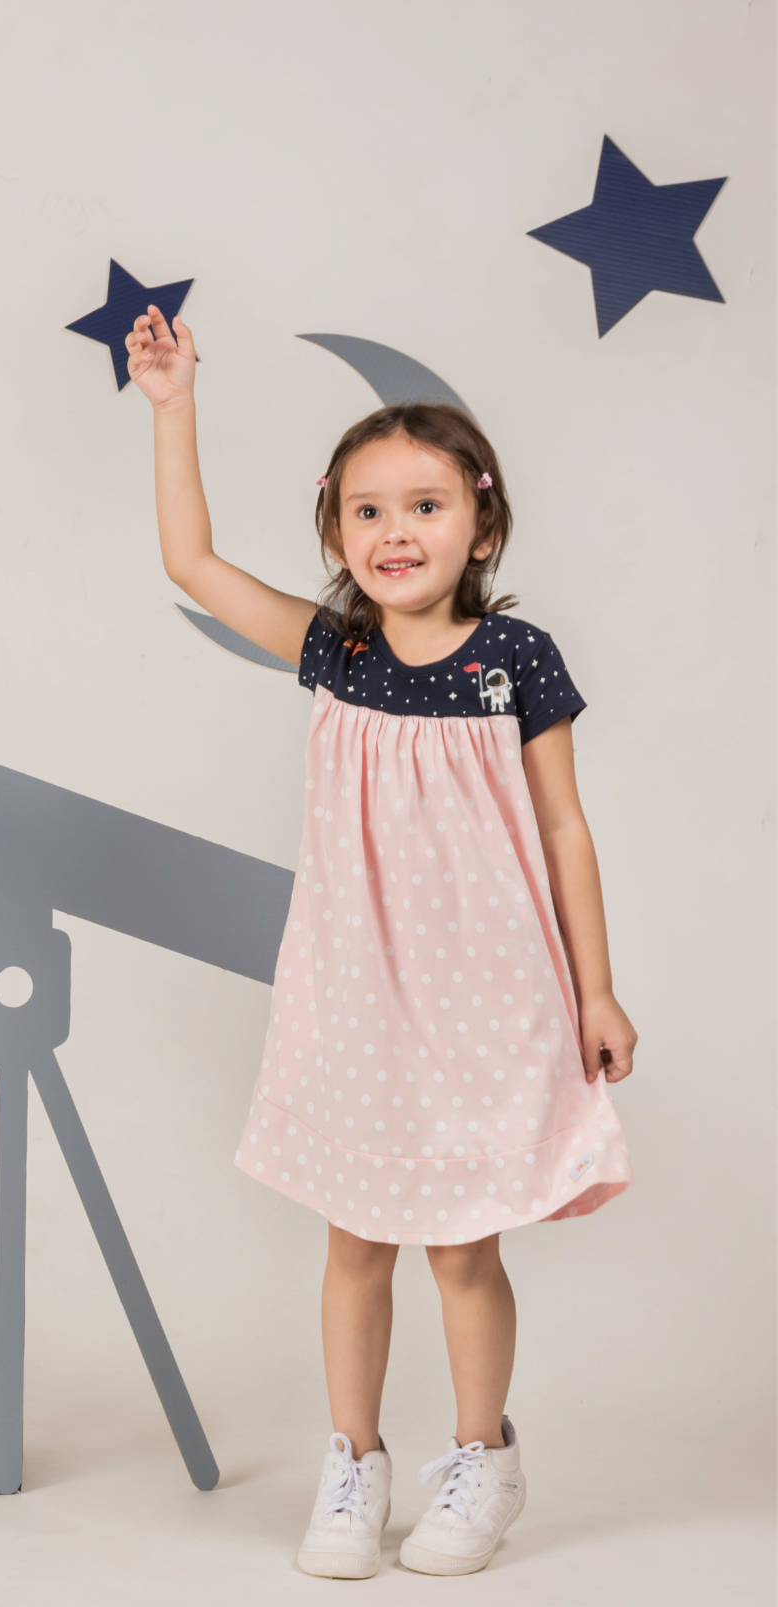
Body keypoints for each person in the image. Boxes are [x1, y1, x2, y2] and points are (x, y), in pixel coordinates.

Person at [125, 306, 636, 1579]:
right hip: (355, 985)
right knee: (356, 1238)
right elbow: (191, 561)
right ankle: (354, 1460)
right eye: (366, 512)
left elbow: (565, 827)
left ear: (481, 518)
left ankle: (482, 1456)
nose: (395, 532)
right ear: (337, 531)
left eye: (423, 505)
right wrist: (175, 404)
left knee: (464, 1240)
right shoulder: (336, 647)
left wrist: (599, 990)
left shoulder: (515, 659)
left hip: (491, 985)